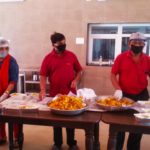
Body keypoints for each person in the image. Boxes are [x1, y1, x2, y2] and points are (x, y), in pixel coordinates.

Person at [39, 32, 83, 150]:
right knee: (56, 121)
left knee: (70, 120)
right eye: (60, 44)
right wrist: (43, 90)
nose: (63, 45)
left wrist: (76, 80)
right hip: (55, 94)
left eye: (64, 42)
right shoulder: (48, 58)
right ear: (53, 44)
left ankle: (71, 143)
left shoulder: (71, 55)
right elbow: (43, 75)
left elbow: (79, 71)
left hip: (70, 94)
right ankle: (57, 143)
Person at [111, 32, 150, 150]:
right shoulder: (121, 57)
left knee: (138, 127)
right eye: (135, 42)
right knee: (120, 126)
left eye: (140, 42)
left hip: (142, 96)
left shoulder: (147, 59)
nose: (138, 44)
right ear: (129, 43)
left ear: (144, 44)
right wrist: (118, 89)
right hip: (124, 95)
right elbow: (113, 74)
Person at [0, 37, 20, 147]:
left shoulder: (12, 61)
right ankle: (2, 136)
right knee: (0, 116)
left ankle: (17, 138)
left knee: (13, 116)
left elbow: (13, 81)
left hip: (10, 93)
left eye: (6, 48)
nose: (3, 50)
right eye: (1, 48)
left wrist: (5, 94)